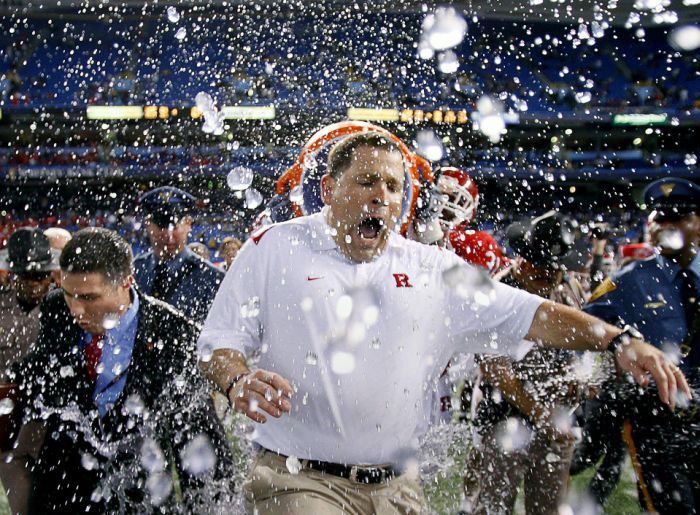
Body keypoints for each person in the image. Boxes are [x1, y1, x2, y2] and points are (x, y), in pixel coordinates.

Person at [198, 132, 689, 514]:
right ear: (329, 189)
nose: (382, 197)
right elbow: (218, 342)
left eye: (393, 186)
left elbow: (530, 314)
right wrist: (238, 378)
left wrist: (618, 339)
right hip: (296, 477)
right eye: (366, 181)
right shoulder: (274, 249)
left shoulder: (432, 268)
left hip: (396, 485)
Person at [10, 228, 235, 513]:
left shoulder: (174, 334)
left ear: (126, 281)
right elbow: (44, 376)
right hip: (62, 493)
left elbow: (203, 453)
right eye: (69, 294)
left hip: (139, 496)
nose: (76, 310)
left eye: (89, 298)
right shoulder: (56, 309)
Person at [585, 177, 700, 514]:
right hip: (660, 417)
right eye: (659, 218)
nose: (667, 225)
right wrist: (620, 348)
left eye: (679, 216)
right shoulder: (626, 281)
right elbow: (582, 326)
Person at [470, 211, 589, 515]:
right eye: (539, 264)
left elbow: (578, 349)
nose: (547, 273)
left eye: (554, 267)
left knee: (549, 508)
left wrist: (577, 379)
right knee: (494, 507)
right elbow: (497, 373)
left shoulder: (567, 290)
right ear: (520, 258)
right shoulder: (496, 296)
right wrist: (541, 414)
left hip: (554, 418)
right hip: (503, 419)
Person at [0, 228, 58, 515]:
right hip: (8, 424)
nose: (36, 283)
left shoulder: (65, 308)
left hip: (54, 420)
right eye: (28, 276)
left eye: (41, 275)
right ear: (14, 274)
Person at [134, 186, 224, 323]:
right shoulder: (133, 271)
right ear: (147, 225)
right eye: (161, 227)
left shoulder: (212, 277)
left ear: (188, 224)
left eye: (175, 227)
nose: (168, 235)